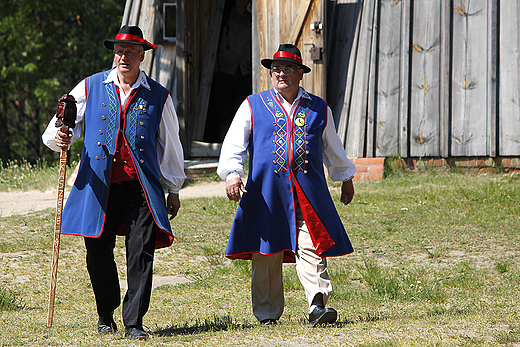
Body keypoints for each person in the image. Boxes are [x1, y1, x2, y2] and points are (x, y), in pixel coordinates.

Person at [42, 25, 186, 340]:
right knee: (97, 252)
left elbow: (170, 144)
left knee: (141, 252)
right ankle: (106, 313)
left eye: (131, 52)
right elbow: (61, 127)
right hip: (98, 185)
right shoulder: (91, 86)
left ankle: (134, 322)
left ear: (142, 56)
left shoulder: (158, 95)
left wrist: (173, 188)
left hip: (141, 188)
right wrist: (62, 135)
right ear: (114, 54)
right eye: (120, 51)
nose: (124, 57)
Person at [217, 44, 356, 327]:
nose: (281, 74)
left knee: (312, 245)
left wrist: (345, 178)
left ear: (300, 74)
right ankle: (267, 314)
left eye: (288, 69)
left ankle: (317, 304)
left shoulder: (318, 108)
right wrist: (233, 174)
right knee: (266, 252)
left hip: (308, 193)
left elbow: (333, 148)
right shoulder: (253, 105)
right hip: (266, 194)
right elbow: (234, 144)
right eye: (276, 69)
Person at [204, 0, 252, 143]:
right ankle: (222, 144)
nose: (242, 1)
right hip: (226, 68)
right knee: (223, 110)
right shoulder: (225, 18)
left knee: (242, 108)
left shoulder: (251, 19)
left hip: (245, 69)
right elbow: (214, 41)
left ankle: (241, 144)